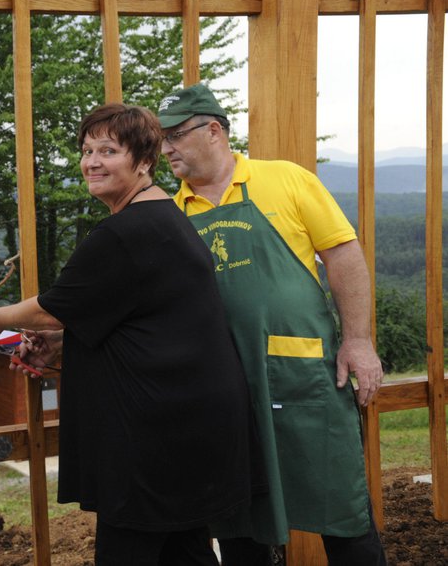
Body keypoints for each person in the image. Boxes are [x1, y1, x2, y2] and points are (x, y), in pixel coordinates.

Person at [0, 104, 262, 566]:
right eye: (87, 150)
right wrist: (67, 341)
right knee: (184, 551)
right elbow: (141, 314)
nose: (92, 162)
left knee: (130, 551)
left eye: (108, 150)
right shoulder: (163, 218)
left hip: (152, 440)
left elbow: (54, 306)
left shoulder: (126, 233)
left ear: (143, 161)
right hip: (186, 426)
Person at [156, 83, 387, 565]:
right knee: (240, 524)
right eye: (162, 139)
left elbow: (343, 255)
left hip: (305, 377)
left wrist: (359, 341)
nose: (166, 149)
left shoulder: (286, 180)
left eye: (175, 136)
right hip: (223, 391)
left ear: (214, 130)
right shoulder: (169, 212)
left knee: (343, 512)